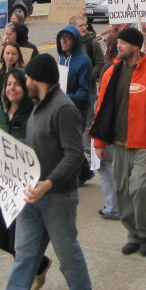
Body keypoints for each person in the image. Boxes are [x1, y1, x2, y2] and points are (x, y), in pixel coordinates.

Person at [0, 54, 92, 290]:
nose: (24, 81)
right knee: (24, 255)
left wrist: (48, 183)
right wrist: (1, 141)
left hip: (58, 198)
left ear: (37, 80)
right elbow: (37, 145)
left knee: (68, 256)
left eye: (27, 77)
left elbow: (74, 155)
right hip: (31, 196)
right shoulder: (38, 103)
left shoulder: (63, 108)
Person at [89, 27, 146, 257]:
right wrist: (98, 143)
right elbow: (101, 109)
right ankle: (133, 235)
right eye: (118, 43)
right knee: (123, 193)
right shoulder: (111, 72)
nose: (118, 45)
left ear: (136, 46)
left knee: (139, 188)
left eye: (123, 43)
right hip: (118, 143)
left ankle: (145, 233)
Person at [0, 68, 52, 288]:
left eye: (17, 84)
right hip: (1, 184)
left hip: (23, 189)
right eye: (8, 84)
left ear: (25, 88)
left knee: (18, 242)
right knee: (4, 241)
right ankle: (40, 264)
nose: (12, 88)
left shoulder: (34, 113)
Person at [55, 25, 94, 186]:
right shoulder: (62, 58)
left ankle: (79, 173)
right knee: (68, 141)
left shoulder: (83, 61)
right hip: (64, 106)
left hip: (79, 108)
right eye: (61, 38)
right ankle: (83, 171)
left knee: (73, 142)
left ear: (75, 40)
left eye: (67, 38)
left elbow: (84, 92)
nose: (63, 41)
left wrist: (65, 96)